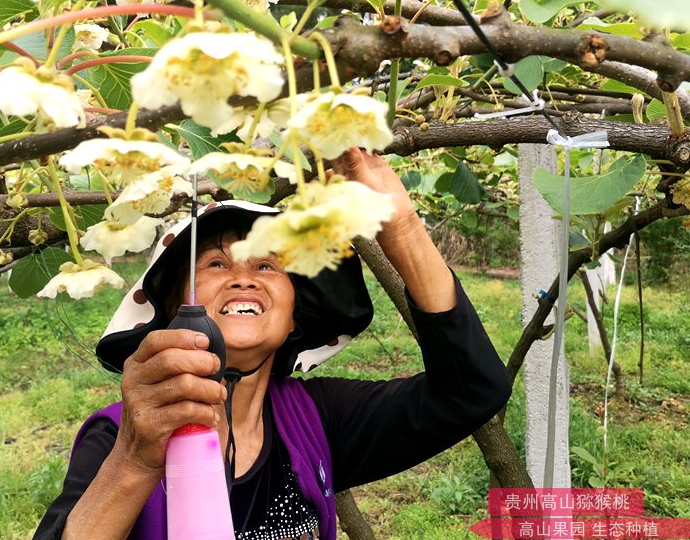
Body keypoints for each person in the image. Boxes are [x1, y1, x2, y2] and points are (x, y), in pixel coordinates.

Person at [34, 149, 512, 540]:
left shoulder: (316, 420)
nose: (244, 278)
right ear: (177, 307)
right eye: (217, 265)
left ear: (293, 321)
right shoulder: (119, 436)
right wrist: (136, 458)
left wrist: (403, 228)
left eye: (267, 266)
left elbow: (472, 391)